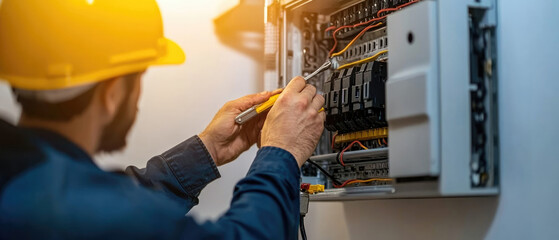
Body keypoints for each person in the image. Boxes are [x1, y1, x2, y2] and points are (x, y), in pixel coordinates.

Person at [0, 0, 325, 239]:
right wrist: (280, 153)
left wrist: (207, 149)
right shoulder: (73, 211)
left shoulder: (25, 180)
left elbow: (113, 201)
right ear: (112, 93)